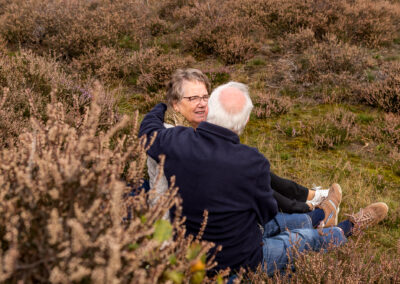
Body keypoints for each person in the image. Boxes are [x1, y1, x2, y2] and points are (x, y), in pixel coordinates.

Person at [139, 81, 389, 275]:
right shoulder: (251, 162)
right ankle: (350, 227)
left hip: (191, 246)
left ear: (208, 110)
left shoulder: (175, 140)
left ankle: (321, 215)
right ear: (245, 120)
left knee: (271, 224)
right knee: (300, 238)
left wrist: (163, 105)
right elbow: (266, 212)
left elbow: (148, 129)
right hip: (239, 260)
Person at [146, 68, 327, 217]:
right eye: (193, 98)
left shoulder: (193, 126)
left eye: (205, 97)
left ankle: (307, 196)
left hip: (211, 204)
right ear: (175, 104)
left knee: (250, 169)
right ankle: (305, 209)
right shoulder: (172, 140)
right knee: (246, 172)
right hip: (187, 220)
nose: (202, 104)